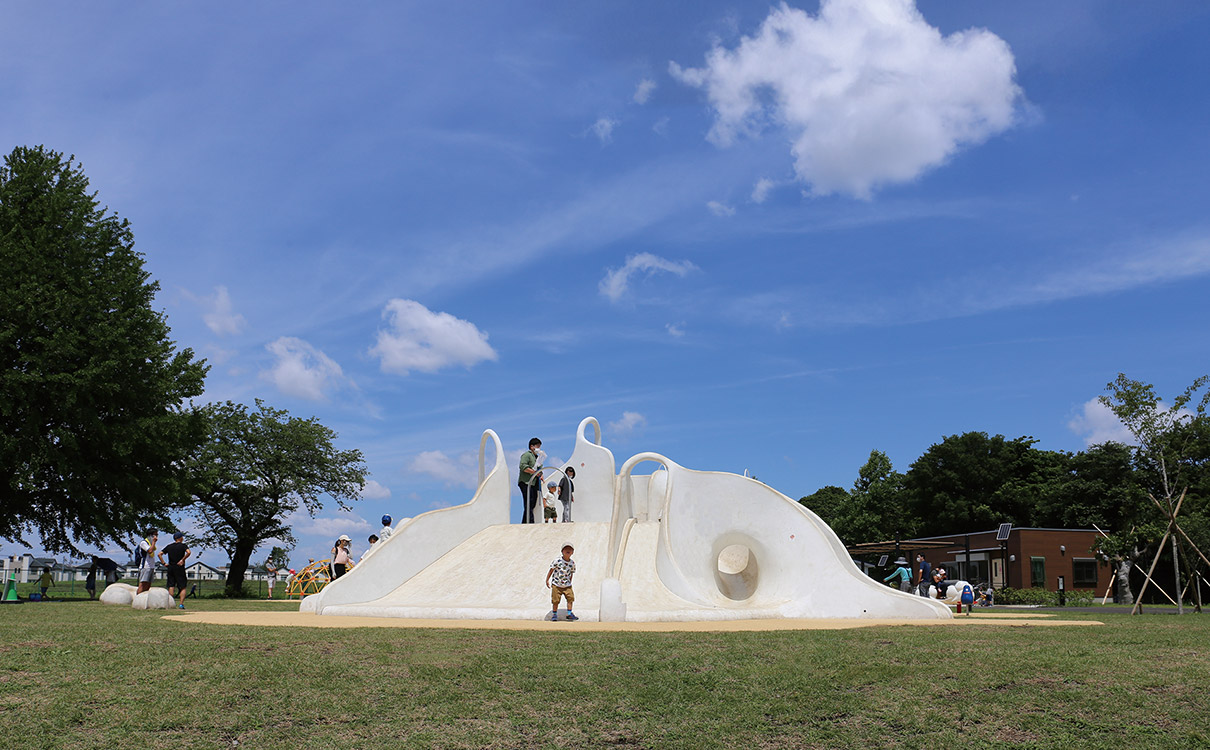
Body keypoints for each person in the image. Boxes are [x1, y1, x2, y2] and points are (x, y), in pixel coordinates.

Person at [545, 544, 578, 621]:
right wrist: (547, 580)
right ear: (562, 551)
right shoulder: (557, 561)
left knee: (570, 598)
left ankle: (569, 614)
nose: (568, 550)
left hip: (567, 585)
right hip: (557, 584)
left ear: (572, 552)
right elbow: (551, 570)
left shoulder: (572, 563)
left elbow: (571, 573)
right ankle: (554, 614)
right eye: (566, 549)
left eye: (570, 549)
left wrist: (570, 581)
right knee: (555, 600)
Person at [158, 531, 191, 609]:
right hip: (179, 567)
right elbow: (188, 552)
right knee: (182, 586)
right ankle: (181, 604)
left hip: (171, 567)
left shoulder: (169, 546)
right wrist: (182, 560)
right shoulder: (183, 546)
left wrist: (164, 563)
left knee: (171, 585)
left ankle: (170, 603)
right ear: (180, 538)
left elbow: (159, 554)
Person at [518, 437, 544, 524]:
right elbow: (523, 466)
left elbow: (540, 469)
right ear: (531, 446)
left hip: (534, 483)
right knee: (528, 502)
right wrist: (534, 472)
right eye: (537, 446)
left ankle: (525, 522)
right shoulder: (527, 455)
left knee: (533, 502)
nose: (538, 448)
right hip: (525, 482)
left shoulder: (538, 457)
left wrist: (540, 474)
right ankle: (530, 522)